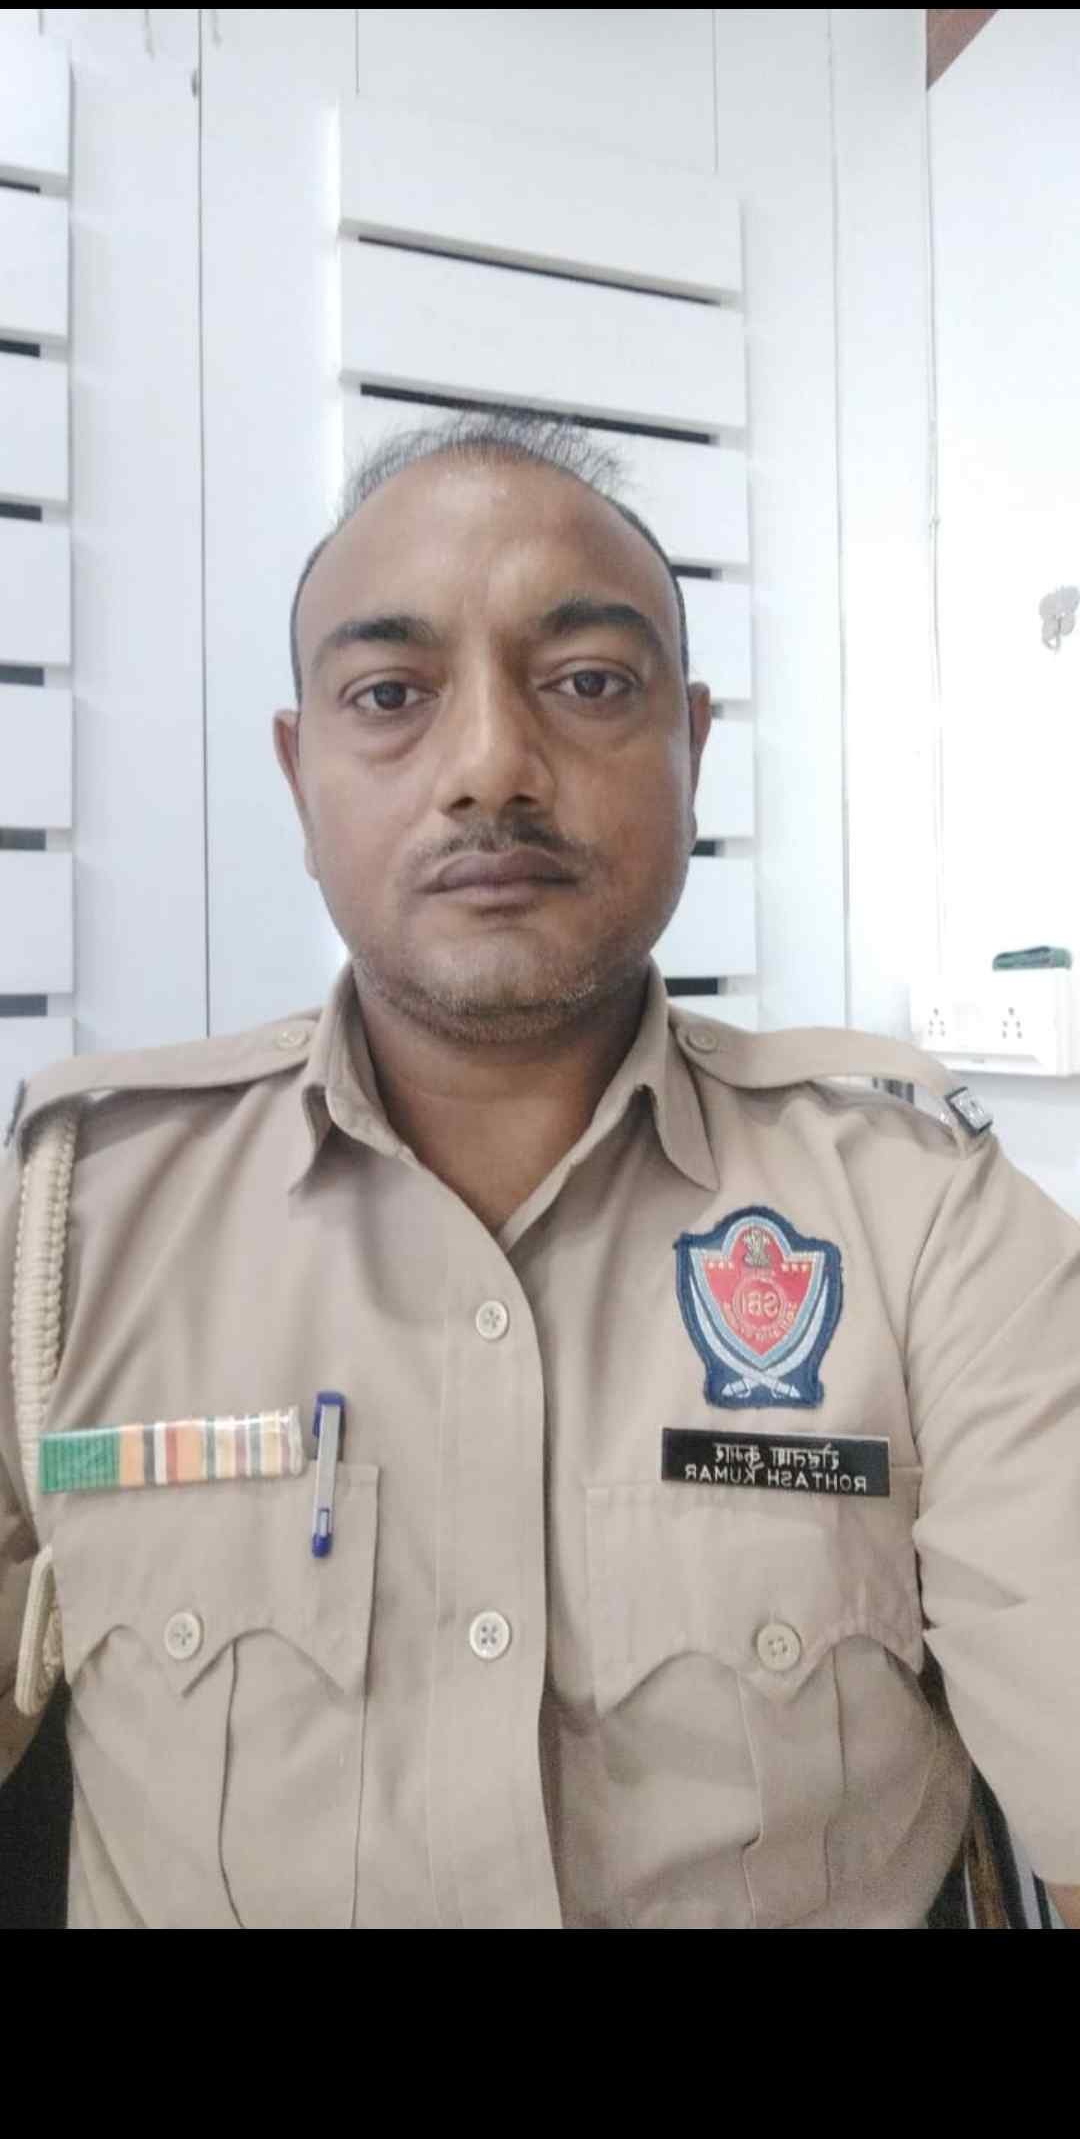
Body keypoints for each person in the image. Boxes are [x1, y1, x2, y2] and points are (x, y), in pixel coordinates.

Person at [2, 409, 1078, 1930]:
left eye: (586, 683)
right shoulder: (66, 1228)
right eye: (393, 695)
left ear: (693, 750)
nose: (492, 766)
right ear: (301, 775)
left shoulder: (927, 1220)